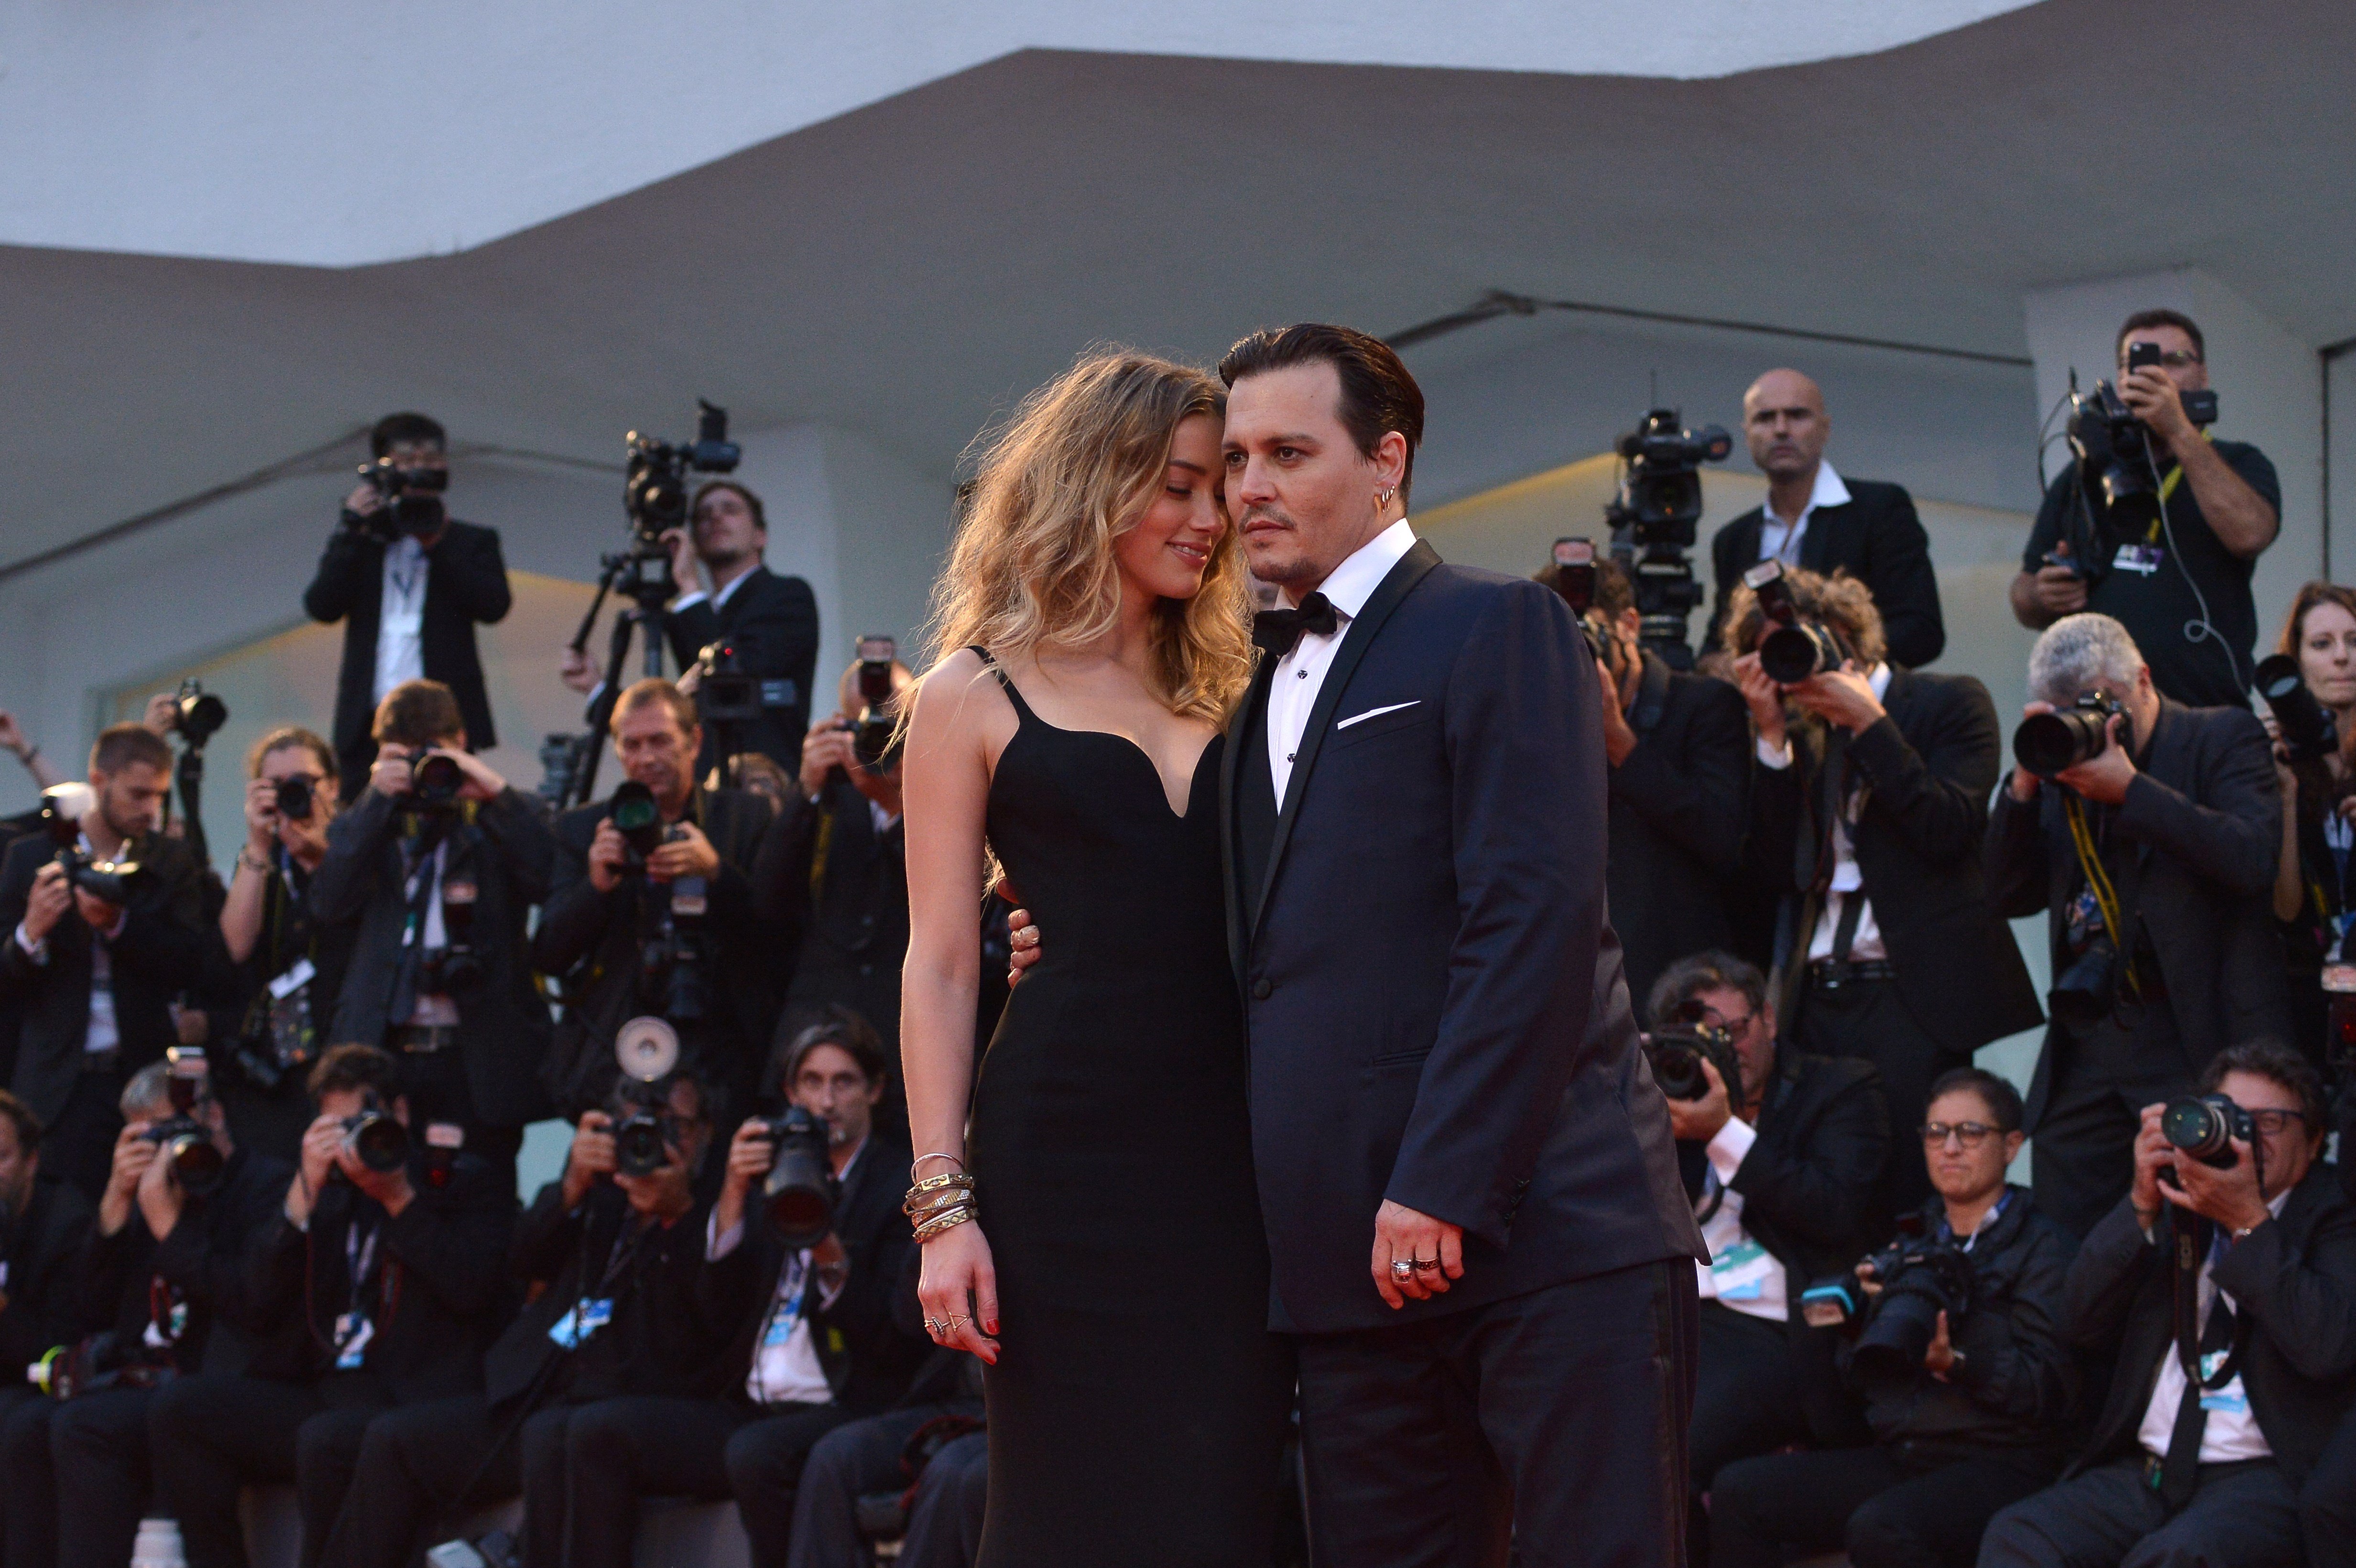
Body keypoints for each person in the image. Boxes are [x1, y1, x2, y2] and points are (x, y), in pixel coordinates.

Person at [896, 348, 1295, 1565]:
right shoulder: (971, 690)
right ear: (1094, 480)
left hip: (1237, 1157)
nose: (1209, 516)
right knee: (1069, 1507)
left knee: (1230, 1496)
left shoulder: (1247, 678)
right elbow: (943, 961)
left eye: (1218, 484)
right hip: (1061, 1156)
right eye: (1178, 483)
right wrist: (941, 1206)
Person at [1725, 566, 2042, 1211]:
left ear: (1849, 637)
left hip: (1911, 997)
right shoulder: (1795, 731)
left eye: (1803, 644)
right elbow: (1771, 870)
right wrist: (1771, 739)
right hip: (1814, 1000)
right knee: (1829, 1178)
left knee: (1910, 1187)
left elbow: (1949, 830)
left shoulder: (1950, 701)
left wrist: (1871, 727)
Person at [1980, 1042, 2356, 1568]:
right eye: (2228, 1118)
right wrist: (2139, 1203)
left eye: (2267, 1122)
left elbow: (2326, 1347)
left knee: (2178, 1557)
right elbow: (2077, 1320)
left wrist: (2248, 1222)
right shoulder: (2177, 1202)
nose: (2244, 1136)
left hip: (2260, 1478)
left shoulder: (2332, 1220)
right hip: (2148, 1471)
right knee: (2019, 1535)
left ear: (2314, 1141)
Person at [330, 1072, 722, 1568]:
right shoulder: (600, 1199)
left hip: (618, 1407)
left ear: (707, 1130)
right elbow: (521, 1261)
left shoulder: (716, 1210)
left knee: (559, 1435)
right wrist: (570, 1188)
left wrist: (677, 1215)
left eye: (676, 1127)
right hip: (532, 1394)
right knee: (393, 1439)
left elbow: (708, 1319)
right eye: (637, 1128)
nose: (656, 1144)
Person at [148, 1044, 514, 1568]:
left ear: (401, 1113)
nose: (353, 1144)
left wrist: (397, 1199)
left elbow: (471, 1288)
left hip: (416, 1395)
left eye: (362, 1124)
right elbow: (257, 1303)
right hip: (330, 1387)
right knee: (182, 1408)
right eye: (335, 1128)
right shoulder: (327, 1195)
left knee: (328, 1440)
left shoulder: (458, 1181)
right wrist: (300, 1200)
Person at [1987, 613, 2288, 1238]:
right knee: (2073, 1238)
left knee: (2197, 1231)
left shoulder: (2220, 736)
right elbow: (2007, 894)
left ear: (2144, 680)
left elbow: (2250, 859)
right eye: (2068, 712)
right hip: (2092, 1036)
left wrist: (2131, 789)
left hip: (2194, 1033)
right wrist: (2022, 786)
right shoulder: (2058, 766)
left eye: (2105, 705)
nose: (2097, 725)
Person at [1711, 1068, 2078, 1568]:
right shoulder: (1910, 1240)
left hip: (2002, 1458)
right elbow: (1861, 1384)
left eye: (1969, 1132)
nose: (1949, 1147)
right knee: (1739, 1491)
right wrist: (1859, 1330)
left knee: (1881, 1527)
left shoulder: (2043, 1246)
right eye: (1935, 1132)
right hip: (1908, 1449)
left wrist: (1957, 1361)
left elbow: (2049, 1387)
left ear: (2011, 1145)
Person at [1647, 951, 1891, 1545]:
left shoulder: (1841, 1089)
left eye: (1735, 1031)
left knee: (1667, 1451)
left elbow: (1832, 1211)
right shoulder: (1663, 1093)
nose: (1729, 1050)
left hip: (1779, 1327)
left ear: (1769, 1020)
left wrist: (1723, 1133)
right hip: (1671, 1313)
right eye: (1706, 1039)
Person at [26, 1061, 290, 1568]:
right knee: (28, 1426)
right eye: (149, 1137)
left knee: (86, 1426)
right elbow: (90, 1308)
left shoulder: (264, 1186)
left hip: (219, 1378)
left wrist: (171, 1228)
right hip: (142, 1374)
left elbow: (250, 1303)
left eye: (173, 1131)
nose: (165, 1151)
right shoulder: (151, 1188)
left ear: (213, 1114)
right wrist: (115, 1203)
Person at [313, 680, 556, 1184]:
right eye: (403, 754)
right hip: (386, 1054)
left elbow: (549, 876)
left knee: (478, 1196)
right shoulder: (373, 820)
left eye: (435, 754)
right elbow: (328, 902)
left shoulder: (498, 815)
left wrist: (491, 792)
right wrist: (376, 801)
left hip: (475, 1061)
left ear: (461, 742)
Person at [711, 1014, 927, 1567]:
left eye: (844, 1081)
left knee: (757, 1454)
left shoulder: (896, 1184)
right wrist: (734, 1195)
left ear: (875, 1090)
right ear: (790, 1092)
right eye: (811, 1082)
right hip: (751, 1393)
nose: (826, 1100)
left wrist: (830, 1254)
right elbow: (712, 1314)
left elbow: (893, 1339)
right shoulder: (775, 1167)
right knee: (595, 1431)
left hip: (850, 1397)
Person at [2011, 309, 2281, 709]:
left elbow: (2251, 535)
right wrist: (2042, 592)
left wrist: (2176, 428)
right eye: (2138, 365)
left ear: (2202, 376)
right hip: (2098, 715)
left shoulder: (2237, 461)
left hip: (2205, 712)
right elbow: (2023, 596)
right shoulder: (2085, 474)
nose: (2158, 375)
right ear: (2121, 381)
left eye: (2175, 361)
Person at [534, 678, 781, 1116]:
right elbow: (549, 955)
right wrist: (596, 888)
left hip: (725, 1051)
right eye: (632, 745)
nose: (646, 758)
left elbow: (779, 935)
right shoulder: (582, 829)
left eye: (661, 741)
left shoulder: (745, 817)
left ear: (694, 741)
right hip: (614, 1054)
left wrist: (716, 874)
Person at [0, 724, 212, 1198]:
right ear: (99, 781)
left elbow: (192, 962)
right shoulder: (31, 856)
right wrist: (31, 932)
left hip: (139, 1080)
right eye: (137, 794)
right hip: (57, 1087)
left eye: (158, 796)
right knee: (56, 1229)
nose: (149, 809)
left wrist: (120, 926)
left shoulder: (171, 861)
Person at [1541, 555, 1750, 1005]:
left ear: (1630, 625)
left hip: (1681, 983)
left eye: (1586, 638)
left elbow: (1722, 837)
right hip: (1576, 986)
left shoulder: (1705, 706)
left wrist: (1619, 740)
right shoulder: (1537, 722)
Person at [305, 412, 513, 803]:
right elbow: (321, 605)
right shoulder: (366, 540)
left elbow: (494, 606)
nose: (418, 472)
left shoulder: (470, 540)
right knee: (364, 825)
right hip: (368, 724)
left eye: (430, 462)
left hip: (446, 721)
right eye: (406, 463)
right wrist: (353, 529)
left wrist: (439, 543)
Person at [562, 479, 821, 784]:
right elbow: (669, 717)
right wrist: (595, 688)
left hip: (766, 788)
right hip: (704, 791)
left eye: (730, 510)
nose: (715, 518)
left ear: (760, 536)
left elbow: (730, 674)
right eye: (704, 515)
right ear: (694, 541)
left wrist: (688, 586)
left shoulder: (787, 595)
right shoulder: (693, 614)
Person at [1709, 368, 1945, 671]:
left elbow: (1921, 631)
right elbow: (1717, 644)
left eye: (1797, 415)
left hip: (1860, 707)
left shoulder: (1880, 509)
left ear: (1825, 428)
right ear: (1747, 434)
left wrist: (1830, 658)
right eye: (1765, 418)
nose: (1781, 429)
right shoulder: (1734, 540)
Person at [759, 654, 915, 1072]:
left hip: (908, 1030)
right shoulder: (827, 796)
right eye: (865, 726)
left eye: (895, 725)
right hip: (820, 1031)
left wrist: (894, 806)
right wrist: (807, 790)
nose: (879, 740)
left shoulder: (950, 789)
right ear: (840, 727)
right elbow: (768, 901)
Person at [212, 725, 351, 1162]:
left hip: (343, 1055)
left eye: (305, 783)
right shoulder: (262, 859)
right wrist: (258, 844)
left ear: (333, 786)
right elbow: (235, 945)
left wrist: (318, 856)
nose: (294, 793)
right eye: (277, 785)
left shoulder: (359, 850)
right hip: (273, 1069)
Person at [2264, 583, 2356, 1062]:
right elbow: (2284, 907)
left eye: (2353, 641)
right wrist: (2283, 793)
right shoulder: (2279, 763)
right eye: (2321, 645)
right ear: (2295, 664)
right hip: (2305, 1005)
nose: (2341, 658)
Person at [0, 1091, 97, 1544]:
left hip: (40, 1385)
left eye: (0, 1157)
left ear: (31, 1162)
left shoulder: (65, 1223)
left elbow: (58, 1351)